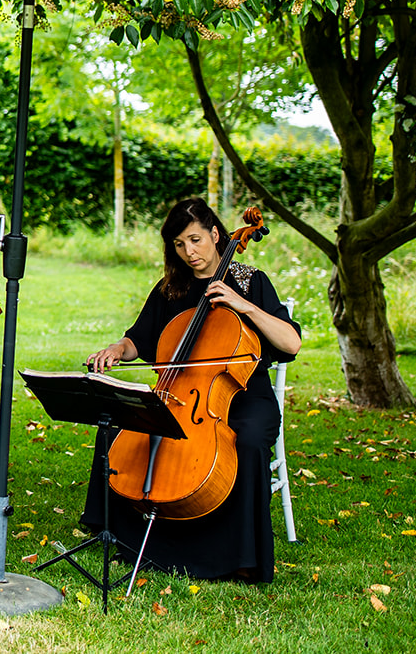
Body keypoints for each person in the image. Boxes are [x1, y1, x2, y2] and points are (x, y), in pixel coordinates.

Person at [83, 197, 301, 582]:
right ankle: (125, 537)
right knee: (118, 425)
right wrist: (119, 348)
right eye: (180, 245)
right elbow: (140, 338)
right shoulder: (172, 288)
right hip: (182, 393)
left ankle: (241, 557)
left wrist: (243, 306)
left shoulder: (251, 281)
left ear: (216, 235)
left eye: (196, 240)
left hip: (244, 395)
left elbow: (290, 343)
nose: (189, 252)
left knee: (248, 441)